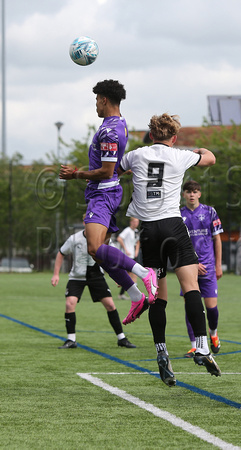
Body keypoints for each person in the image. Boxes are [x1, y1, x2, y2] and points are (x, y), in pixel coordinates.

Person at [117, 113, 221, 387]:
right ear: (174, 138)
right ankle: (201, 344)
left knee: (157, 296)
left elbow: (113, 171)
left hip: (149, 231)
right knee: (191, 287)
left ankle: (162, 352)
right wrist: (196, 150)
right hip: (174, 226)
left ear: (151, 136)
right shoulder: (181, 155)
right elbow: (209, 158)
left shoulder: (136, 155)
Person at [59, 79, 158, 318]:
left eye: (96, 100)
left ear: (104, 99)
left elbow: (105, 170)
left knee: (94, 247)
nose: (95, 105)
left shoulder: (110, 130)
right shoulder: (119, 124)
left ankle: (144, 274)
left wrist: (76, 175)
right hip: (105, 191)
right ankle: (136, 297)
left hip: (103, 194)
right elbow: (111, 167)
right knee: (99, 252)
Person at [51, 223, 136, 349]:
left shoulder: (103, 239)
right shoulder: (74, 238)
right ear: (85, 223)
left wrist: (119, 277)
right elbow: (61, 253)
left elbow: (114, 258)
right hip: (77, 277)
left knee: (110, 305)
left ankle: (121, 338)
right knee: (70, 303)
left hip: (97, 276)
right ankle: (71, 340)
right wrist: (56, 274)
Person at [181, 180, 223, 357]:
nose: (192, 194)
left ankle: (213, 333)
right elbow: (178, 243)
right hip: (188, 266)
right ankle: (194, 345)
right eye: (189, 191)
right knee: (191, 306)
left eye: (195, 191)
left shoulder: (209, 211)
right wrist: (191, 262)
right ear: (184, 194)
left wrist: (218, 264)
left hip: (208, 267)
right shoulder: (178, 214)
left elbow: (217, 239)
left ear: (199, 194)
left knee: (211, 307)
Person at [116, 217, 141, 300]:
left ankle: (125, 293)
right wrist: (125, 249)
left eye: (137, 222)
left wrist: (136, 250)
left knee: (132, 274)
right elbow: (119, 238)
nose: (136, 223)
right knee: (128, 274)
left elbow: (138, 242)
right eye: (134, 222)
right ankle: (128, 292)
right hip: (127, 256)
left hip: (133, 255)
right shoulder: (127, 230)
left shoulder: (136, 232)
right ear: (131, 222)